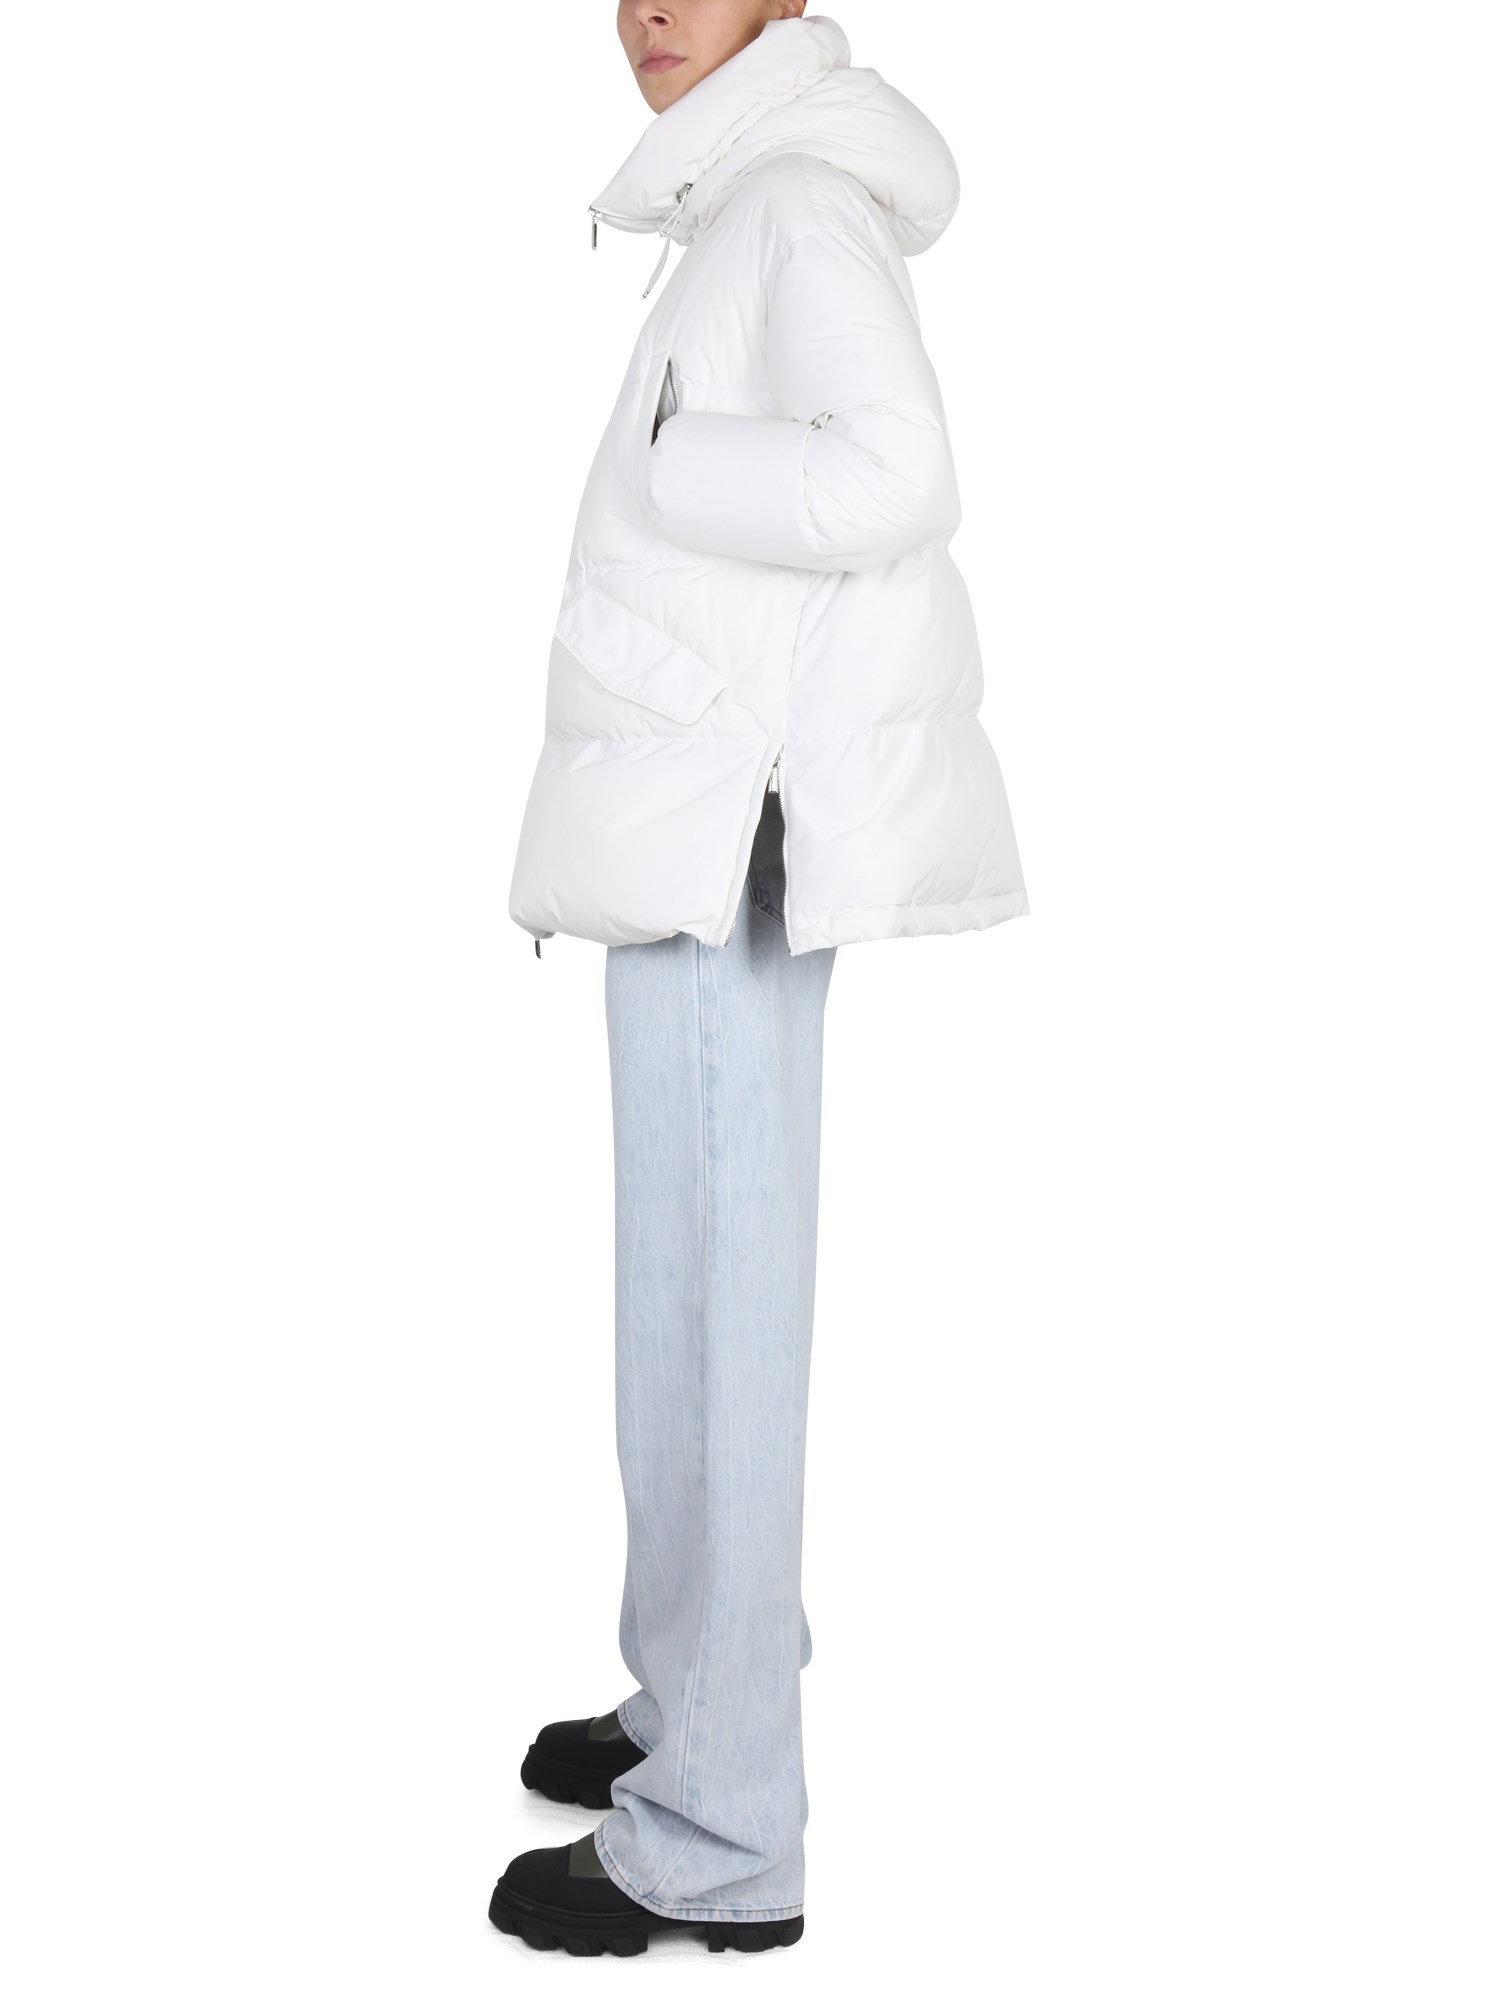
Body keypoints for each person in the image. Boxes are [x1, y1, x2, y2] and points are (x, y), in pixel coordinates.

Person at [492, 2, 1026, 1958]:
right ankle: (691, 1703)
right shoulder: (748, 203)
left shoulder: (794, 202)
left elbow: (897, 471)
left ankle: (721, 1835)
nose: (649, 11)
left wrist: (673, 455)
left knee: (718, 1313)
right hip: (701, 818)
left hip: (734, 824)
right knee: (681, 1302)